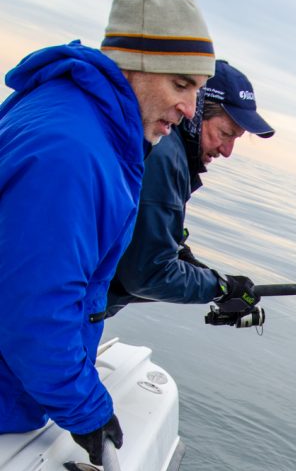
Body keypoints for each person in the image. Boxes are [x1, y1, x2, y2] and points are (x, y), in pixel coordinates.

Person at [0, 0, 215, 464]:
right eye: (181, 85)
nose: (188, 111)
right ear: (134, 65)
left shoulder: (72, 113)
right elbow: (35, 303)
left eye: (197, 92)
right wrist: (85, 408)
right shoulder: (74, 152)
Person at [105, 59, 274, 320]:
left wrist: (181, 254)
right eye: (226, 133)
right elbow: (146, 274)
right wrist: (221, 288)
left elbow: (136, 236)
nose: (227, 151)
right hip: (69, 314)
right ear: (196, 112)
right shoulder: (165, 155)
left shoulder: (164, 146)